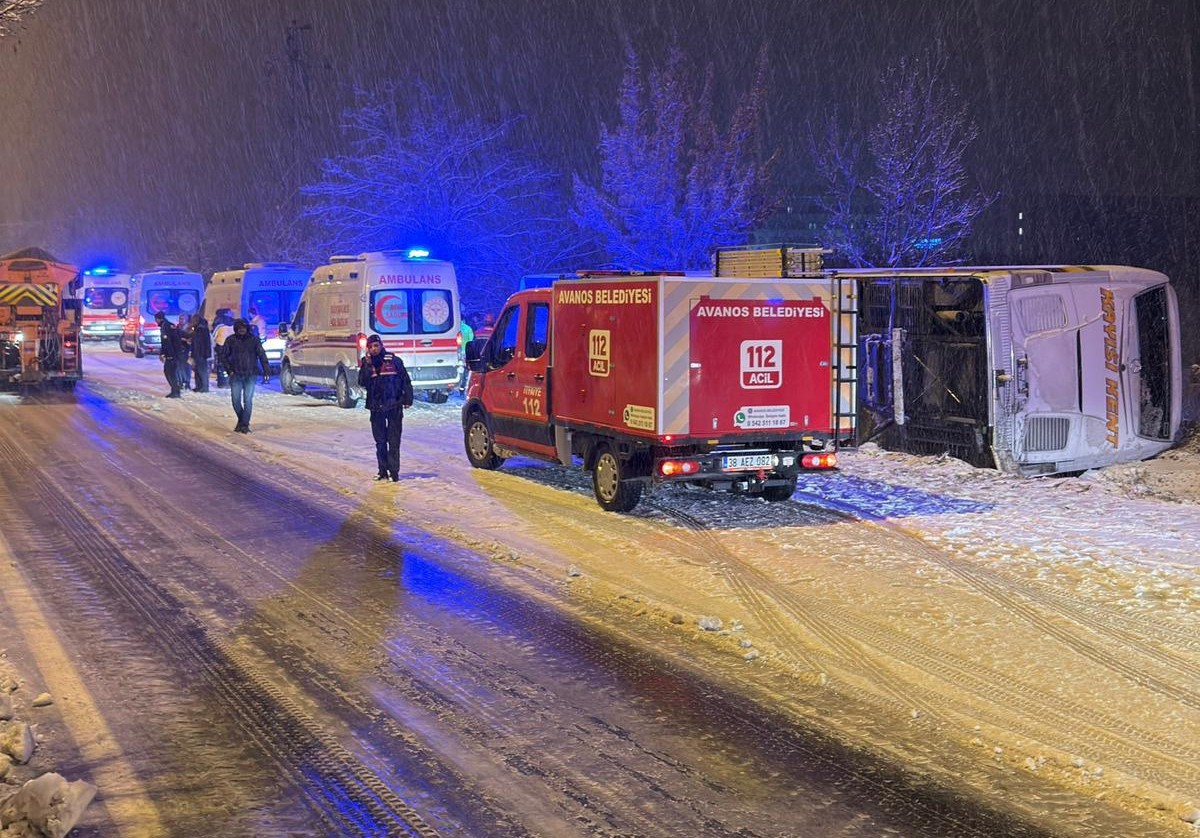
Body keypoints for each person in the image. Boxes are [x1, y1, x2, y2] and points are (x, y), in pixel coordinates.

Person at [357, 334, 413, 482]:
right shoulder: (366, 363)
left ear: (381, 346)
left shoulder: (394, 361)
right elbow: (362, 382)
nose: (374, 349)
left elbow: (405, 380)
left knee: (394, 441)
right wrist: (367, 366)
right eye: (370, 347)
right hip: (376, 407)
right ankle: (382, 471)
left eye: (376, 346)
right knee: (380, 441)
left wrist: (408, 399)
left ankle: (394, 472)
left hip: (394, 405)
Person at [222, 318, 271, 433]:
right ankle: (242, 421)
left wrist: (266, 369)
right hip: (236, 374)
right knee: (235, 401)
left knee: (248, 400)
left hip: (250, 374)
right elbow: (223, 356)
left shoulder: (254, 340)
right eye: (240, 328)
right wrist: (229, 370)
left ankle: (244, 424)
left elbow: (262, 354)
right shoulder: (230, 340)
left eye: (244, 327)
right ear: (236, 329)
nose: (242, 330)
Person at [154, 311, 183, 398]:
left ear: (159, 319)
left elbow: (166, 342)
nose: (156, 321)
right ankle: (175, 390)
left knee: (170, 373)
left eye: (156, 319)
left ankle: (175, 391)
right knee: (170, 372)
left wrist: (166, 354)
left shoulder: (165, 327)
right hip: (175, 353)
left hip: (172, 354)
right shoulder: (170, 325)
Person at [212, 309, 235, 387]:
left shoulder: (219, 324)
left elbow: (213, 336)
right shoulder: (234, 323)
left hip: (221, 346)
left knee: (221, 364)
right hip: (232, 347)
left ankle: (222, 382)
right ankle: (230, 382)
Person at [190, 313, 212, 392]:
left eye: (193, 320)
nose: (192, 322)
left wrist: (206, 354)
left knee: (202, 371)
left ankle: (204, 387)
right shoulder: (197, 329)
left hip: (201, 353)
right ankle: (199, 386)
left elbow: (206, 343)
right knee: (197, 371)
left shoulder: (202, 329)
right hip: (197, 353)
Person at [176, 313, 193, 391]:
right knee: (179, 367)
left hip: (187, 350)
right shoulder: (177, 328)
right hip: (178, 350)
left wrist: (185, 340)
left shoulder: (190, 329)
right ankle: (180, 382)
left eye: (183, 319)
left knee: (186, 367)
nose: (181, 320)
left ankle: (187, 382)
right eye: (180, 318)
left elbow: (191, 340)